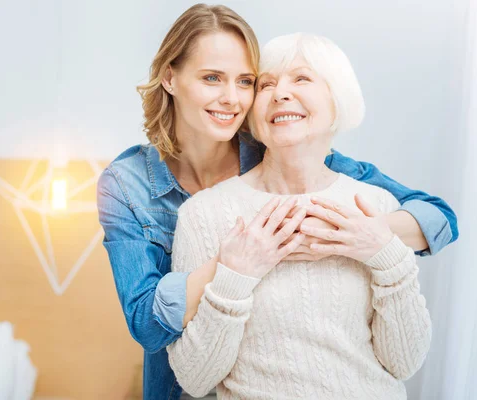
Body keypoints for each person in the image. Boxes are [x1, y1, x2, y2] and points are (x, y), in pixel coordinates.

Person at [96, 4, 457, 400]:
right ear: (170, 77)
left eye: (247, 81)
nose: (231, 98)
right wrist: (237, 260)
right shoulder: (127, 183)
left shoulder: (288, 149)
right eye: (211, 78)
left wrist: (351, 234)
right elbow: (147, 324)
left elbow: (438, 219)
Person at [167, 32, 433, 400]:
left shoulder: (376, 205)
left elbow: (405, 363)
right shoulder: (204, 214)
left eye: (302, 78)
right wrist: (235, 277)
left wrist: (386, 255)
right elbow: (194, 380)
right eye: (266, 84)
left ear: (337, 101)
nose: (280, 93)